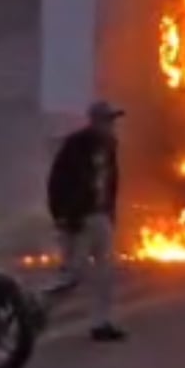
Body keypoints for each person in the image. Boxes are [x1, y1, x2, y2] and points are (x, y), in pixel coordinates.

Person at [46, 100, 128, 342]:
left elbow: (111, 181)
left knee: (105, 273)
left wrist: (111, 212)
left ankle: (101, 324)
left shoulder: (110, 146)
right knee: (72, 275)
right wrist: (63, 217)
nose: (112, 125)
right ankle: (36, 311)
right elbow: (56, 184)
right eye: (108, 120)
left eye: (113, 120)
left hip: (99, 216)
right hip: (78, 218)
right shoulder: (75, 145)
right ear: (95, 122)